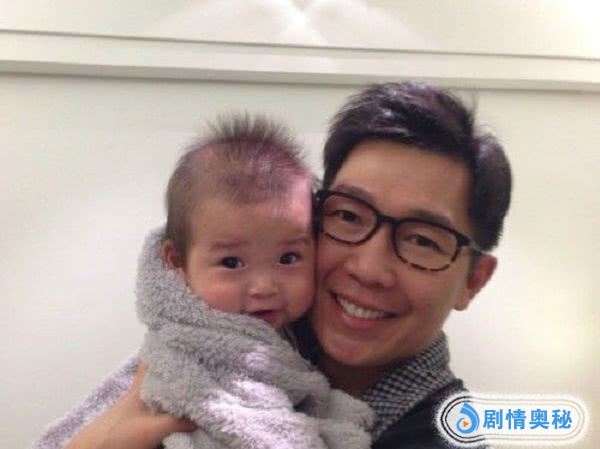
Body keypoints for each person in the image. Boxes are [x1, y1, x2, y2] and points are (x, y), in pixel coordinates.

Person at [35, 81, 512, 449]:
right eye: (349, 216)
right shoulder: (234, 336)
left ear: (473, 281)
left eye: (423, 240)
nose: (368, 268)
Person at [34, 115, 373, 449]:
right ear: (177, 263)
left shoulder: (304, 332)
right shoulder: (189, 345)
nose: (264, 287)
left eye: (288, 258)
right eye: (231, 263)